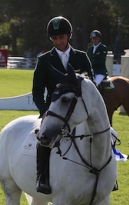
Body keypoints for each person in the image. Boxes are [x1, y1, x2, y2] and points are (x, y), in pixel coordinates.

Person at [32, 16, 94, 194]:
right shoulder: (44, 60)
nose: (58, 41)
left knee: (105, 133)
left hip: (79, 110)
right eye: (54, 39)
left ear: (69, 36)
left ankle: (108, 177)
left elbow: (92, 88)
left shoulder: (81, 57)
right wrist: (45, 111)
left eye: (61, 37)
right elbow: (37, 91)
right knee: (44, 139)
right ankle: (41, 177)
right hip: (55, 111)